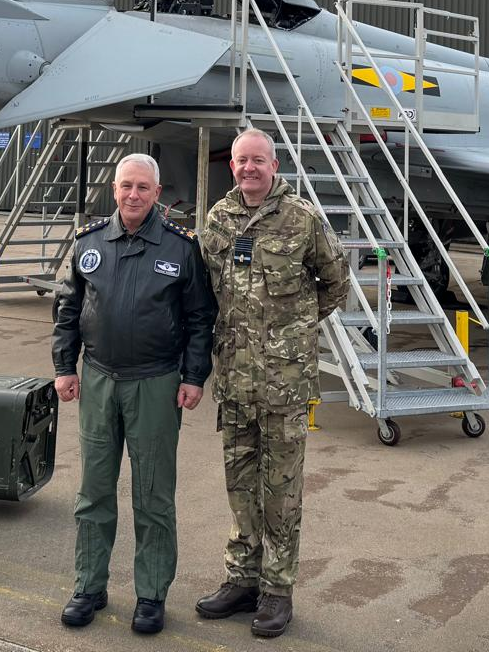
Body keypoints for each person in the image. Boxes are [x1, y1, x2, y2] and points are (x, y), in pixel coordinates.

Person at [52, 152, 217, 635]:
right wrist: (64, 367)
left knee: (153, 495)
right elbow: (67, 309)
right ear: (115, 189)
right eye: (126, 185)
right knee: (93, 492)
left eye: (143, 187)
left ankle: (151, 594)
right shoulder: (88, 242)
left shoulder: (181, 248)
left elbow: (199, 318)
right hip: (99, 379)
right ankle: (89, 586)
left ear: (157, 193)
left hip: (156, 382)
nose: (133, 194)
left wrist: (194, 376)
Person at [194, 128, 348, 639]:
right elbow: (208, 289)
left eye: (258, 160)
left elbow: (336, 282)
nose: (249, 168)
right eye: (242, 160)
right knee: (240, 485)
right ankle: (242, 579)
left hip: (284, 385)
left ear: (274, 165)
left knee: (281, 491)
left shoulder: (302, 218)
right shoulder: (219, 218)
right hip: (235, 381)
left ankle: (278, 590)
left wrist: (293, 332)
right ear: (232, 166)